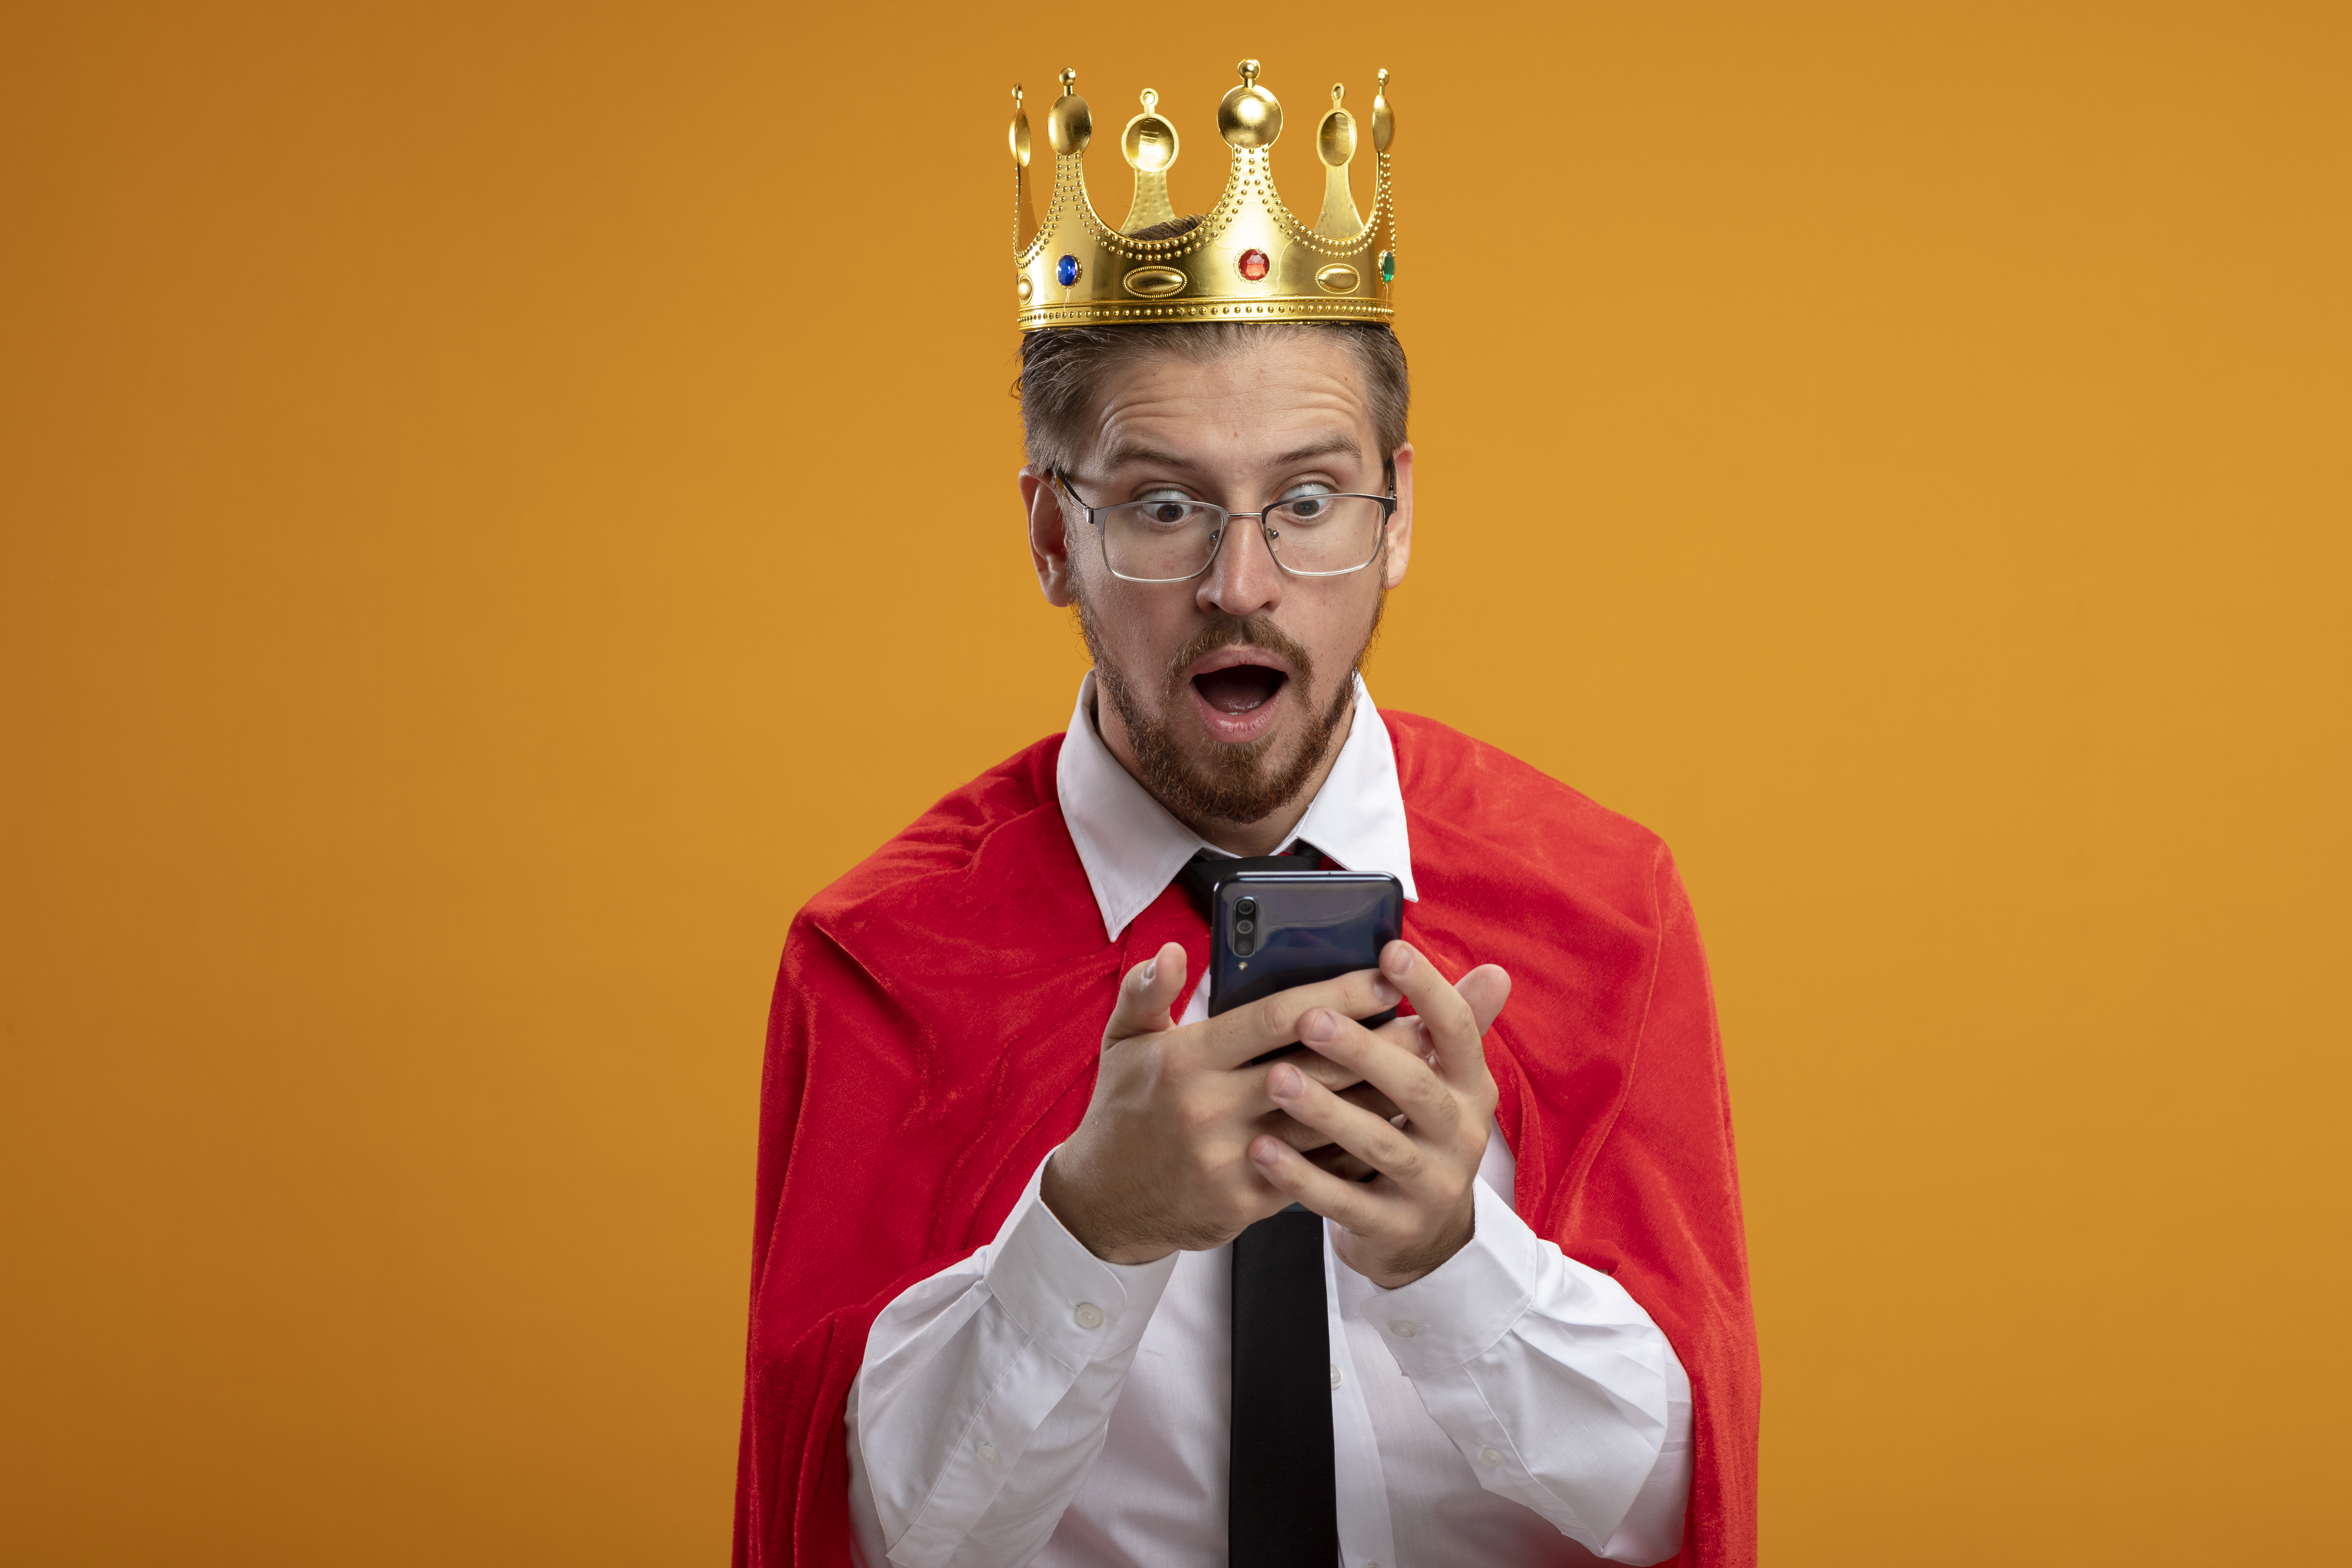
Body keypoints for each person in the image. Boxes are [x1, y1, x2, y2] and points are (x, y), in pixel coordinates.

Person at [735, 62, 1758, 1568]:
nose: (1241, 581)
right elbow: (864, 1531)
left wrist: (1450, 1260)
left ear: (1398, 513)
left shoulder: (1605, 905)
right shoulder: (887, 953)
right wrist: (1090, 1225)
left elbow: (1683, 1499)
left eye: (1308, 498)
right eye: (1161, 506)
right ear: (1049, 533)